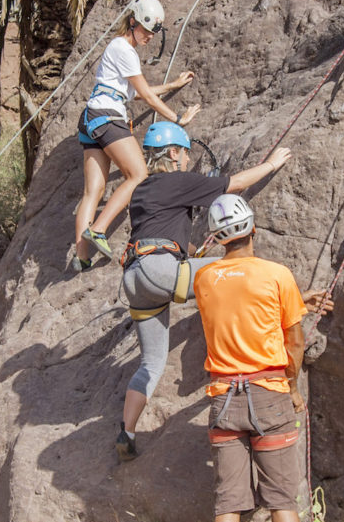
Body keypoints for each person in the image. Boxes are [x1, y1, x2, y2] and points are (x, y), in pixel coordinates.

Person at [116, 121, 293, 460]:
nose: (186, 160)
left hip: (135, 278)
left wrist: (188, 249)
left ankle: (127, 432)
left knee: (151, 363)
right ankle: (253, 351)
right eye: (184, 154)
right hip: (160, 270)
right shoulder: (177, 180)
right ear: (172, 152)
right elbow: (234, 185)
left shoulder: (142, 189)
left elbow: (159, 228)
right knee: (236, 272)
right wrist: (272, 164)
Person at [192, 194, 332, 522]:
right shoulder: (277, 275)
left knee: (228, 504)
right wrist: (293, 388)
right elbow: (294, 343)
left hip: (223, 399)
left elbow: (235, 304)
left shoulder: (205, 279)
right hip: (269, 393)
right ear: (252, 228)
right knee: (282, 501)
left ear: (219, 238)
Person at [75, 0, 201, 270]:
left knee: (93, 190)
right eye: (146, 30)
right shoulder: (123, 48)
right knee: (139, 174)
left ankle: (81, 256)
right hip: (108, 117)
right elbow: (143, 92)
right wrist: (177, 118)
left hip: (93, 117)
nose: (150, 37)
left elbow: (137, 93)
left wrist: (172, 85)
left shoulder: (119, 50)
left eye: (154, 32)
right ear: (132, 22)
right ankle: (98, 230)